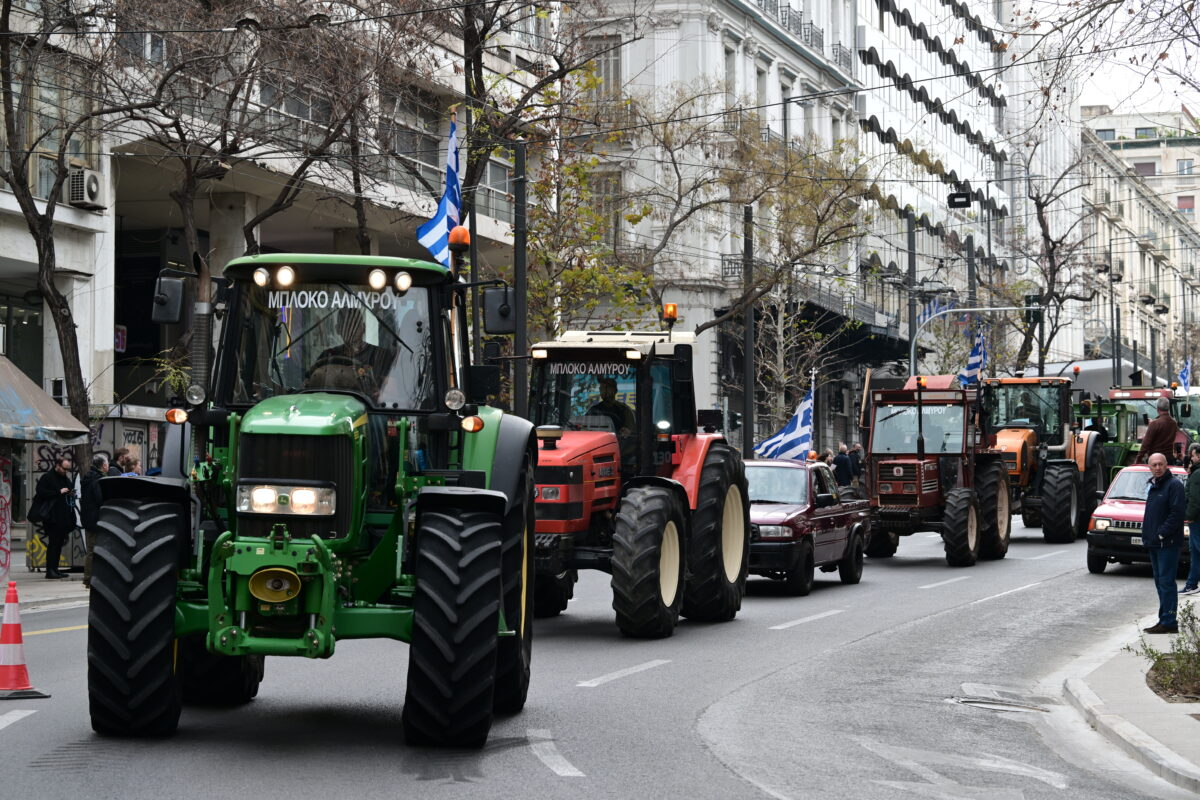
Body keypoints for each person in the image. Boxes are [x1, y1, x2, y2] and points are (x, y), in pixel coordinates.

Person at [1141, 452, 1186, 633]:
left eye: (1160, 464)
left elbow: (1177, 513)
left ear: (1166, 465)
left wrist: (1161, 534)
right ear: (1149, 467)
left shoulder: (1174, 485)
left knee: (1166, 582)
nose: (1157, 468)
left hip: (1167, 544)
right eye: (1154, 465)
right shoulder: (1154, 485)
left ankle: (1169, 622)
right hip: (1154, 543)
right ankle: (1164, 619)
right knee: (1161, 582)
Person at [34, 457, 76, 580]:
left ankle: (55, 569)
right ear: (57, 465)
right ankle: (50, 570)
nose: (65, 471)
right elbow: (40, 492)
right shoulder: (47, 477)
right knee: (53, 543)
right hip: (52, 517)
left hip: (62, 516)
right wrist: (58, 492)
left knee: (58, 544)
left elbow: (69, 487)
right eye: (64, 468)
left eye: (67, 469)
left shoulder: (63, 477)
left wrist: (70, 492)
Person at [80, 454, 107, 588]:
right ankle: (89, 579)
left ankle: (89, 578)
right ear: (103, 466)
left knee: (91, 549)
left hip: (88, 518)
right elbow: (99, 499)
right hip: (96, 518)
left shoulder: (88, 478)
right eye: (106, 464)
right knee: (93, 550)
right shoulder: (97, 480)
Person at [1181, 444, 1200, 596]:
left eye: (1193, 456)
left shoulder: (1197, 474)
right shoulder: (1195, 472)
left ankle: (1192, 584)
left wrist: (1190, 517)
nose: (1191, 459)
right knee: (1195, 553)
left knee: (1197, 550)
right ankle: (1192, 584)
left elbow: (1194, 499)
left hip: (1197, 520)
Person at [1139, 397, 1179, 464]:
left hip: (1155, 459)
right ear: (1168, 408)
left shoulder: (1154, 424)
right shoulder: (1174, 423)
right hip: (1168, 459)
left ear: (1157, 409)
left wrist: (1138, 459)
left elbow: (1146, 444)